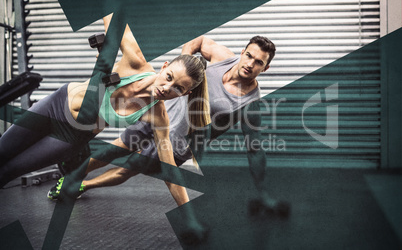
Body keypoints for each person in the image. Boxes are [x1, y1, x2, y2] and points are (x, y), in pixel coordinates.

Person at [48, 35, 290, 217]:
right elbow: (199, 41)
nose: (250, 63)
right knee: (115, 148)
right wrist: (183, 62)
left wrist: (263, 192)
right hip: (159, 112)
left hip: (178, 143)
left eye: (259, 62)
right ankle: (74, 176)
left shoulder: (250, 103)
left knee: (128, 168)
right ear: (243, 52)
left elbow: (254, 149)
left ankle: (82, 185)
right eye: (249, 55)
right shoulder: (221, 56)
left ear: (265, 68)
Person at [0, 11, 209, 211]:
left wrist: (188, 215)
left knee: (10, 171)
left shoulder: (157, 116)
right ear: (164, 66)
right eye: (169, 77)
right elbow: (112, 14)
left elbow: (169, 171)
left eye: (178, 88)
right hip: (54, 106)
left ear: (185, 94)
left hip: (70, 137)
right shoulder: (135, 62)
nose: (166, 88)